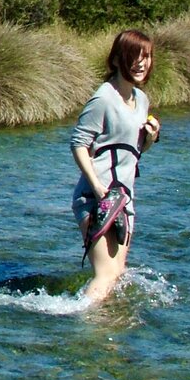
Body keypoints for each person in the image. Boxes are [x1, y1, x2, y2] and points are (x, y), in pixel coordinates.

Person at [70, 28, 162, 303]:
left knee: (117, 272)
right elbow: (78, 144)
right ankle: (84, 326)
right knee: (106, 273)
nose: (140, 63)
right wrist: (97, 187)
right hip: (96, 197)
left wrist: (151, 137)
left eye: (146, 57)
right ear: (116, 60)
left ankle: (104, 325)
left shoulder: (141, 99)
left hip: (124, 198)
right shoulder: (103, 98)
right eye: (133, 56)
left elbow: (136, 151)